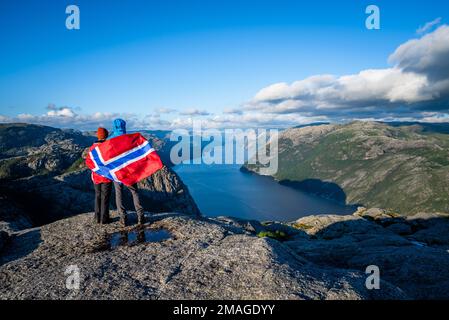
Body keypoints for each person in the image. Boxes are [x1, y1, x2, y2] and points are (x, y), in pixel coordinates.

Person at [109, 118, 146, 227]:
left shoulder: (109, 140)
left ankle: (123, 218)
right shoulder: (130, 139)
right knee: (134, 192)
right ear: (124, 126)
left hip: (117, 172)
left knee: (119, 193)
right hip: (130, 171)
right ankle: (140, 216)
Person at [89, 127, 113, 224]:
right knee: (105, 197)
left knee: (98, 196)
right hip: (106, 176)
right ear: (106, 136)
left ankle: (97, 217)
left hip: (96, 176)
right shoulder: (108, 147)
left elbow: (90, 162)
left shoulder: (92, 148)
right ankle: (104, 219)